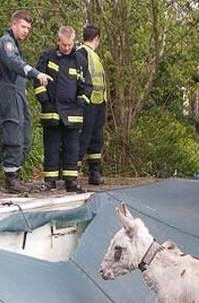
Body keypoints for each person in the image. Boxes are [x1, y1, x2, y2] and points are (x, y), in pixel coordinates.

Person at [0, 10, 53, 193]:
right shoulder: (6, 43)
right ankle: (11, 180)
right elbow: (14, 63)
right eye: (23, 26)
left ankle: (16, 175)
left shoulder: (16, 45)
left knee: (25, 134)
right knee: (13, 133)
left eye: (28, 28)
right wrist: (36, 73)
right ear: (14, 24)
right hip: (9, 93)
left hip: (18, 93)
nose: (26, 31)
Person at [33, 26, 92, 193]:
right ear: (57, 41)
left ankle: (71, 182)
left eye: (70, 45)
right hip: (51, 111)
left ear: (74, 42)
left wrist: (81, 101)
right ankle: (50, 181)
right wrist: (44, 99)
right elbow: (37, 80)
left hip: (73, 113)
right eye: (64, 44)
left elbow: (87, 85)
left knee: (72, 148)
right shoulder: (47, 56)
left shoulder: (80, 60)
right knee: (51, 146)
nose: (67, 48)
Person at [77, 24, 108, 185]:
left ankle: (94, 173)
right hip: (88, 103)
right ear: (97, 38)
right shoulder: (82, 53)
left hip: (98, 102)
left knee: (96, 139)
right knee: (84, 138)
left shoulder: (93, 55)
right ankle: (72, 174)